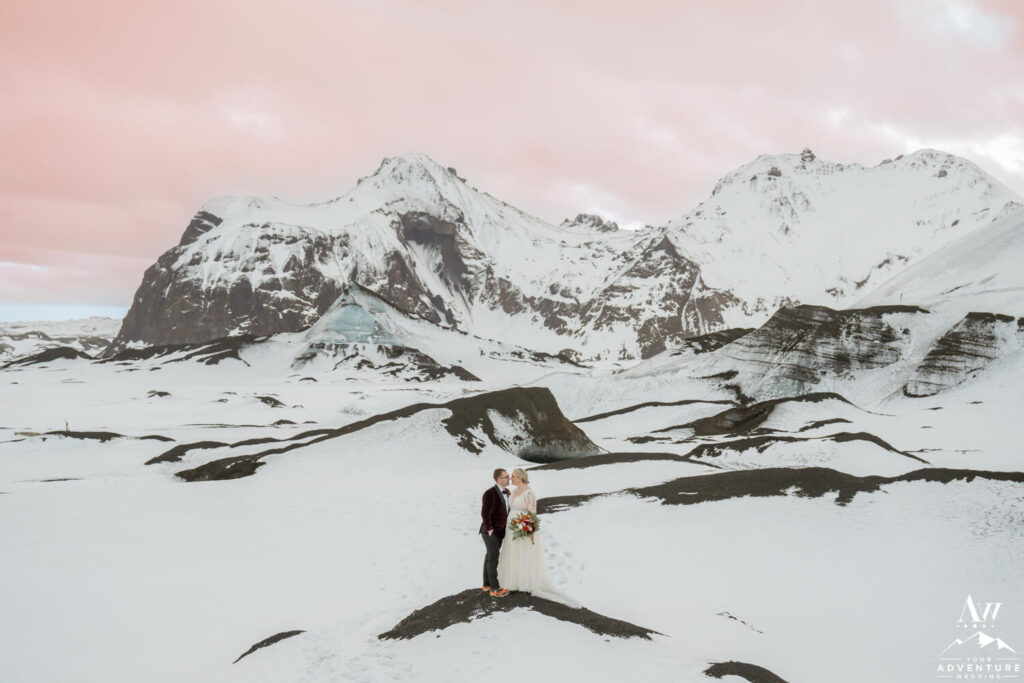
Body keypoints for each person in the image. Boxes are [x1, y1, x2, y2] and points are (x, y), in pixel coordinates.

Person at [496, 468, 581, 608]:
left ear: (521, 477)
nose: (511, 479)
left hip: (521, 525)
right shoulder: (514, 491)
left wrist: (528, 529)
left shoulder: (529, 492)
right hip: (511, 526)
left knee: (523, 553)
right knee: (512, 552)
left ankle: (524, 581)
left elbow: (532, 512)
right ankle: (512, 581)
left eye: (513, 476)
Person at [480, 468, 511, 598]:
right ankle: (494, 589)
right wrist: (490, 528)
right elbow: (485, 513)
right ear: (499, 479)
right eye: (506, 476)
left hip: (499, 531)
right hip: (490, 531)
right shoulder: (490, 493)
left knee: (489, 556)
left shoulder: (506, 492)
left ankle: (486, 585)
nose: (508, 478)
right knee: (493, 558)